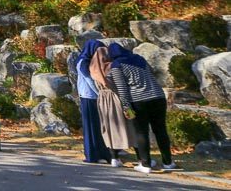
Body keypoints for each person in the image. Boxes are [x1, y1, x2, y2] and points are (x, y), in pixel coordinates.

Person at [108, 42, 177, 174]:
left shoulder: (116, 65)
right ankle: (168, 162)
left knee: (141, 132)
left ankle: (145, 164)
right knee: (161, 130)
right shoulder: (140, 59)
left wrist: (126, 107)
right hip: (158, 96)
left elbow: (122, 89)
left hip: (139, 100)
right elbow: (152, 75)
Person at [90, 45, 137, 167]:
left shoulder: (94, 69)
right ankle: (141, 157)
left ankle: (114, 158)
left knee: (109, 128)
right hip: (116, 98)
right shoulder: (112, 67)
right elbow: (120, 86)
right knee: (130, 125)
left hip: (102, 99)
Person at [76, 39, 111, 164]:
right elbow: (89, 81)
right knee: (91, 126)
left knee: (98, 126)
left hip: (93, 96)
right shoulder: (83, 62)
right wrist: (100, 93)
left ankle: (101, 152)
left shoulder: (91, 61)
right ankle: (92, 154)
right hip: (89, 97)